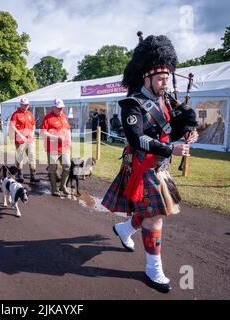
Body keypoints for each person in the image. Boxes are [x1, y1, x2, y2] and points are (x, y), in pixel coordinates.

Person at [101, 34, 199, 293]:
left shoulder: (165, 100)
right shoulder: (131, 104)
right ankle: (153, 267)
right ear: (146, 77)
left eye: (167, 79)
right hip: (142, 167)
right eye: (160, 79)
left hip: (161, 167)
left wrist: (188, 130)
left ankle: (124, 229)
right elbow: (137, 139)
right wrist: (171, 148)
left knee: (150, 213)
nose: (165, 83)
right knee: (156, 218)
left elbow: (169, 129)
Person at [41, 98, 71, 196]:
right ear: (53, 107)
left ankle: (63, 186)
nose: (60, 110)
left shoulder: (64, 116)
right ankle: (54, 188)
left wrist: (69, 141)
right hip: (53, 147)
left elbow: (68, 129)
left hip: (65, 147)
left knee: (67, 166)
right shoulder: (47, 118)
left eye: (61, 108)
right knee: (52, 168)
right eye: (58, 108)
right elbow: (43, 133)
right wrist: (56, 138)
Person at [9, 97, 40, 183]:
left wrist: (33, 132)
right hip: (20, 140)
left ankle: (32, 176)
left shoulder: (30, 113)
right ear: (21, 105)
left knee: (32, 156)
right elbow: (12, 126)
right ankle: (20, 175)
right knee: (20, 158)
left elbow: (33, 124)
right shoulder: (16, 114)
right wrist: (20, 134)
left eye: (27, 105)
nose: (26, 106)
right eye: (24, 105)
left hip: (30, 139)